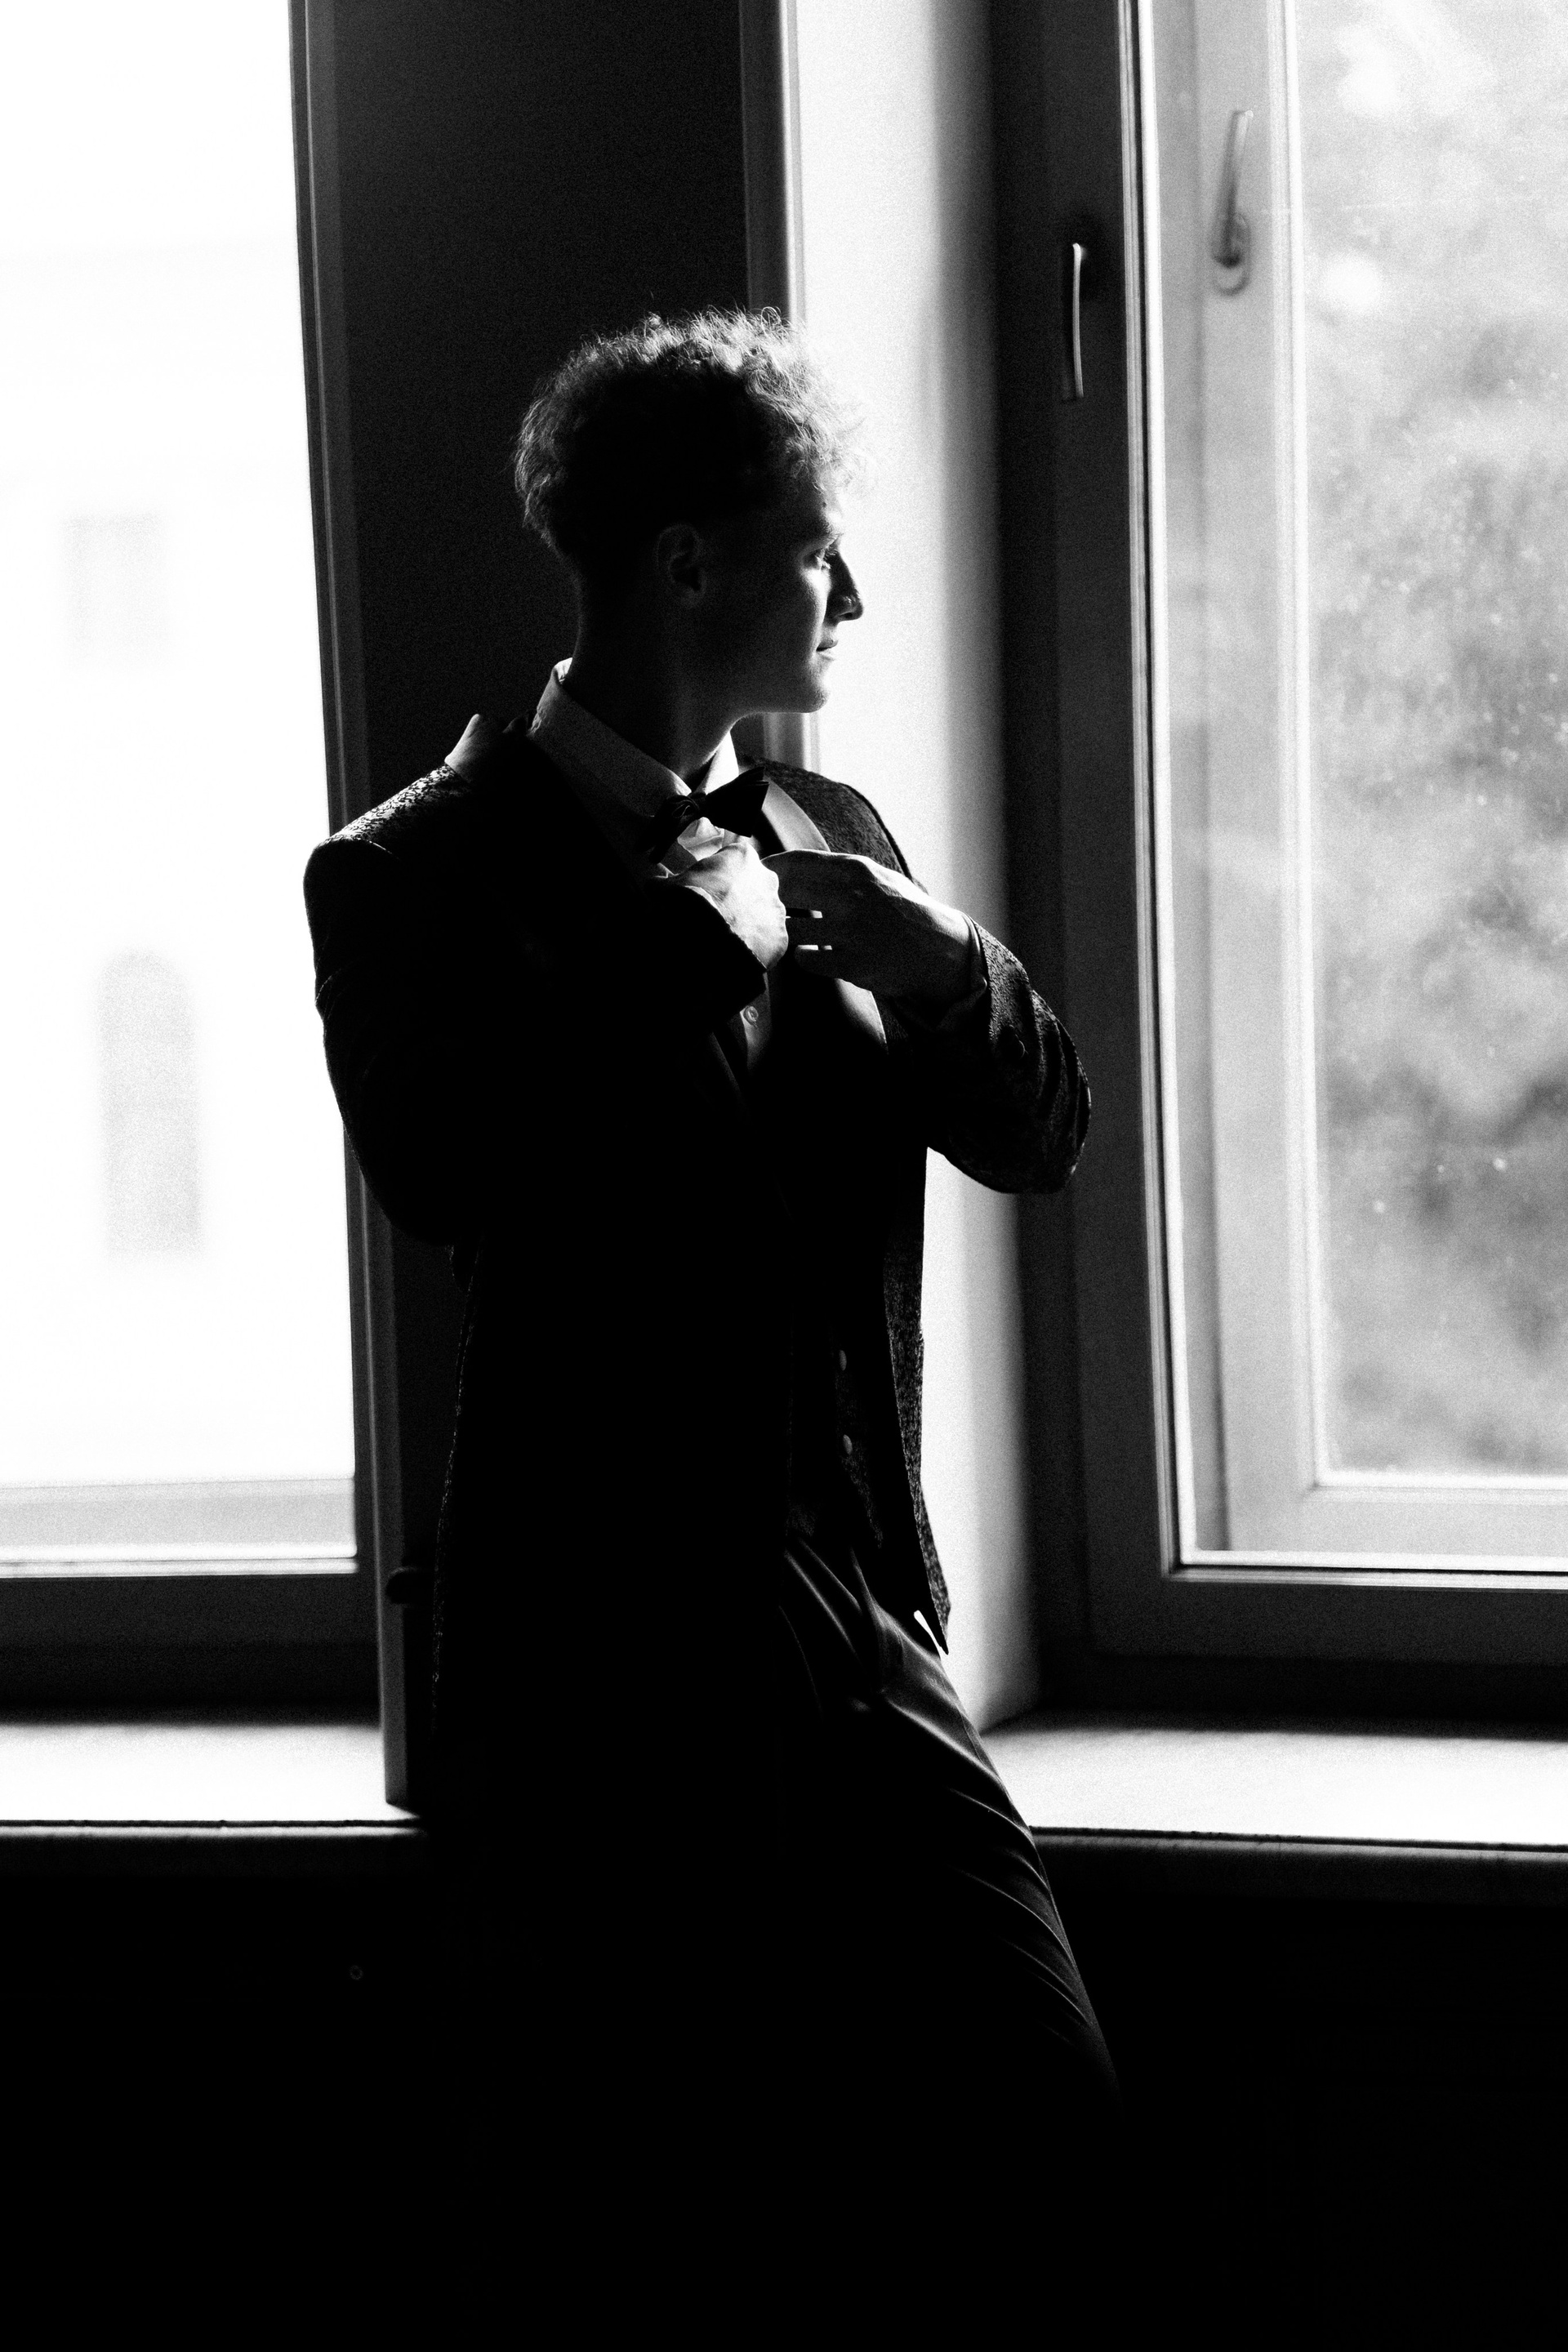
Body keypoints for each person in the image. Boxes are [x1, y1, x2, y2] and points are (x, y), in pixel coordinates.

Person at [305, 308, 1119, 2315]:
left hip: (857, 1623)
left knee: (1045, 2128)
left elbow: (1041, 1142)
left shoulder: (841, 840)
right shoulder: (408, 874)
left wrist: (948, 970)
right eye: (819, 547)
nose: (855, 596)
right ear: (689, 564)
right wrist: (679, 947)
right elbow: (443, 1171)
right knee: (670, 2234)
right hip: (602, 1675)